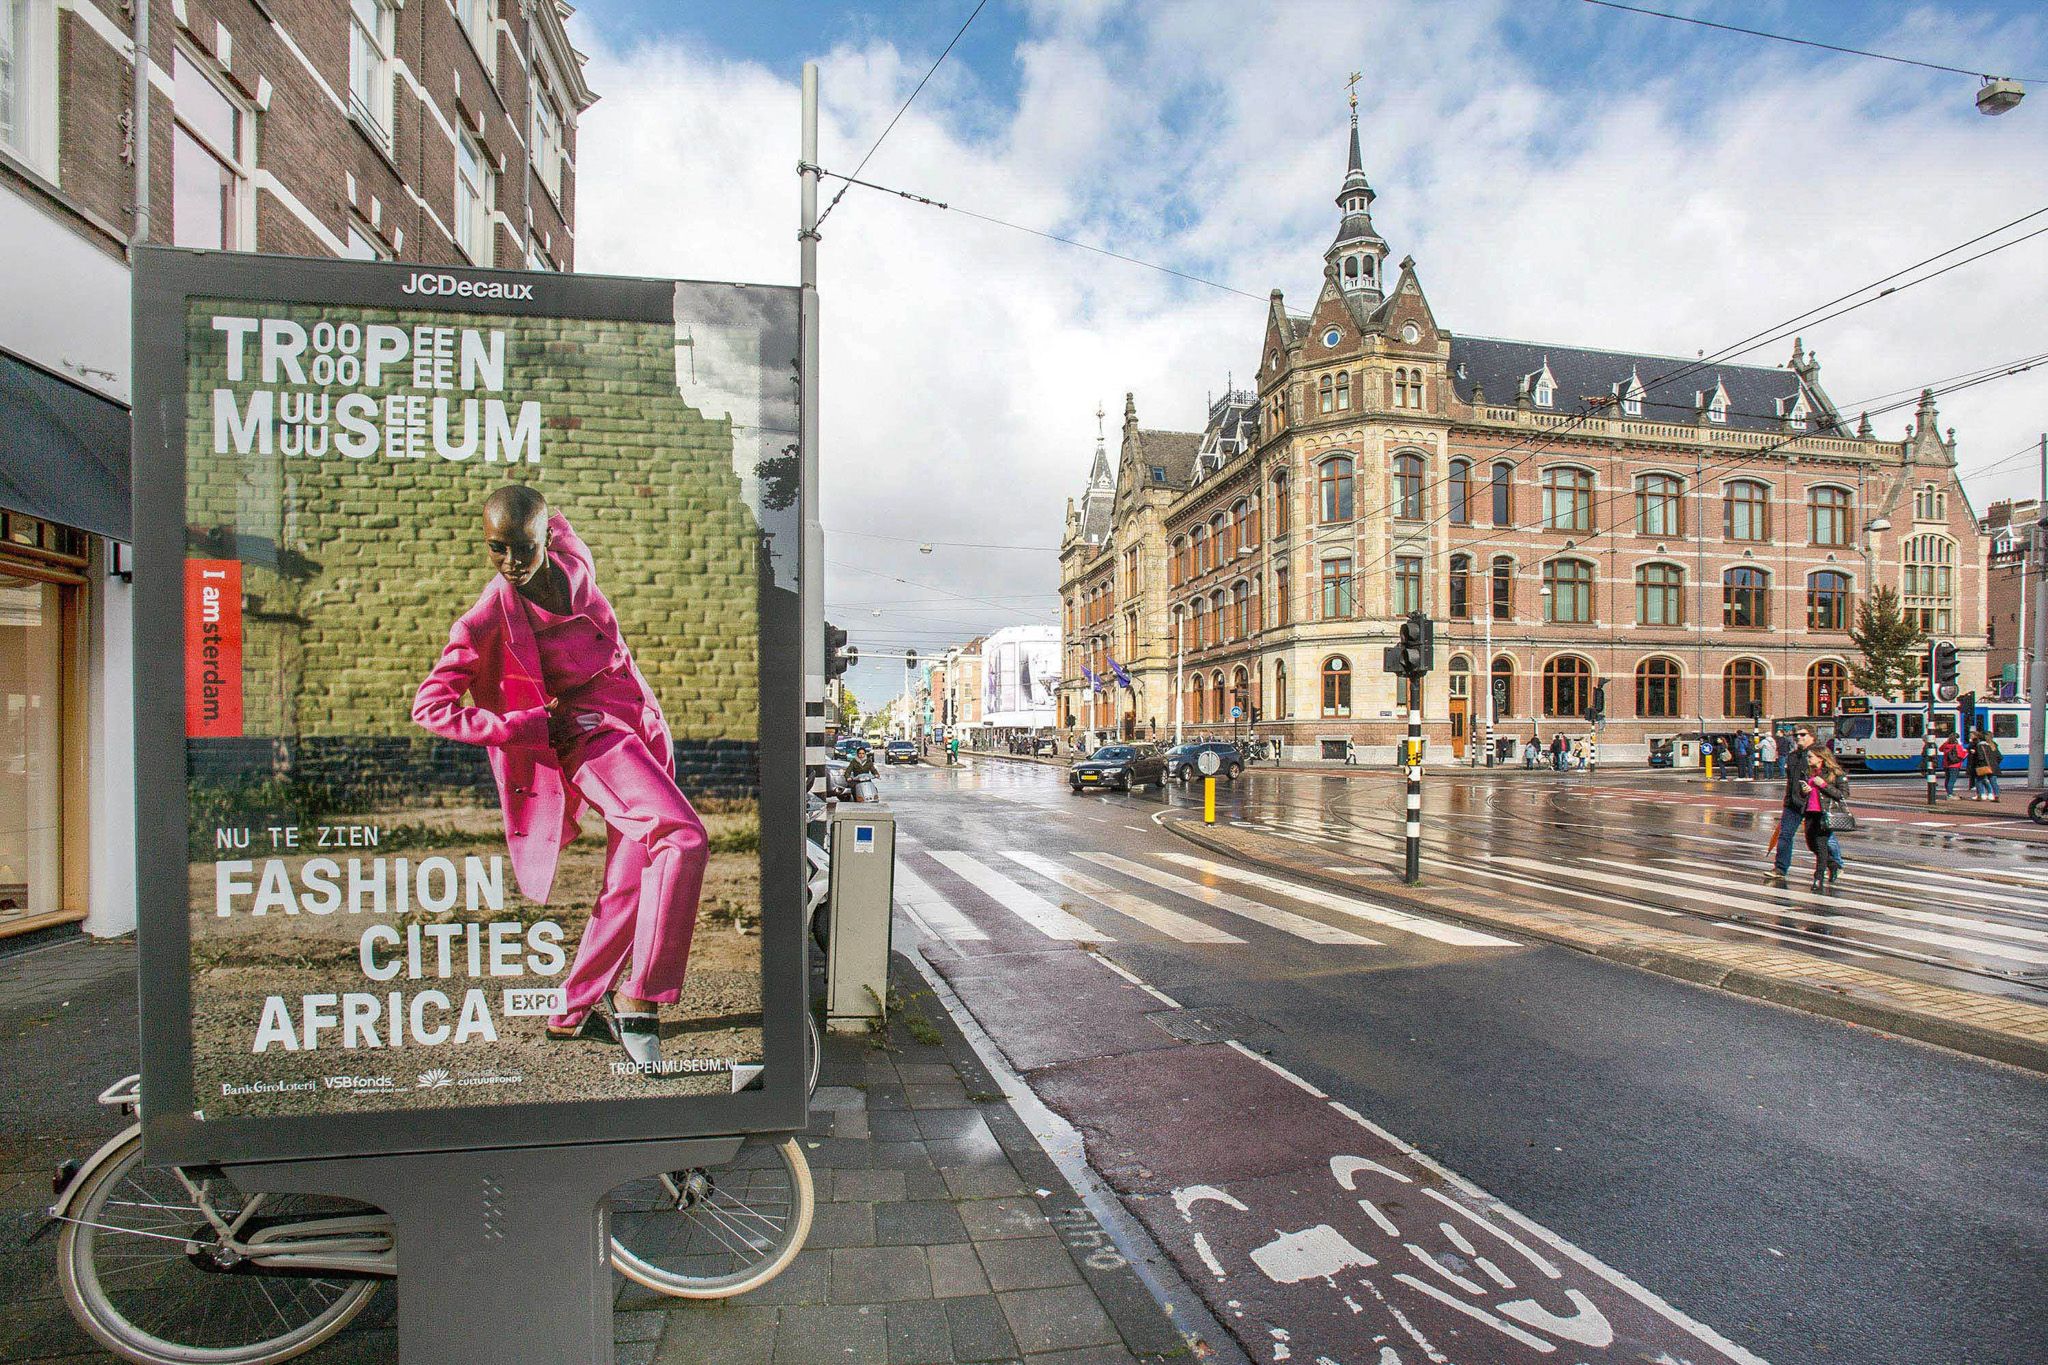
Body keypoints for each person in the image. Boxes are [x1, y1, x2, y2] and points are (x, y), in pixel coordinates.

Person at [413, 485, 706, 1068]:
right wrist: (522, 725)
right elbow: (431, 706)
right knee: (682, 838)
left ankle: (571, 1013)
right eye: (497, 550)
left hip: (644, 718)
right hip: (593, 736)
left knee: (632, 873)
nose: (511, 564)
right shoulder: (486, 617)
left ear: (548, 537)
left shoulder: (575, 556)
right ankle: (639, 997)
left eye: (522, 548)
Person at [1769, 724, 1826, 886]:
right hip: (1793, 803)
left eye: (1802, 735)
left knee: (1817, 839)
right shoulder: (1793, 756)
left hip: (1812, 803)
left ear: (1812, 736)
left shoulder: (1819, 754)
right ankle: (1780, 868)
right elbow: (1791, 781)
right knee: (1785, 835)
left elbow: (1831, 776)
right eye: (1796, 735)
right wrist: (1787, 799)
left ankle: (1834, 863)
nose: (1798, 738)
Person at [1799, 745, 1850, 891]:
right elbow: (1805, 794)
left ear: (1820, 758)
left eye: (1810, 757)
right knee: (1811, 844)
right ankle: (1833, 865)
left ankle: (1818, 878)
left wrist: (1824, 785)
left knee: (1821, 845)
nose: (1808, 759)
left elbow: (1843, 794)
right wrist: (1804, 791)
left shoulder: (1835, 773)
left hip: (1825, 814)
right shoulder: (1808, 772)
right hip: (1810, 812)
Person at [1972, 729, 2004, 801]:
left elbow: (1980, 757)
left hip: (1983, 766)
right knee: (1993, 782)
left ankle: (1980, 795)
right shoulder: (1993, 745)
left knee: (1979, 780)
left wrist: (1975, 755)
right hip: (1994, 766)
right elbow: (2000, 757)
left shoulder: (1980, 745)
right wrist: (1995, 763)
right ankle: (1997, 796)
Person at [1939, 733, 1968, 799]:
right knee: (1952, 780)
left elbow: (1940, 749)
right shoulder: (1957, 746)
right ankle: (1950, 794)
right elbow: (1961, 755)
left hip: (1946, 764)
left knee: (1947, 779)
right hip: (1955, 765)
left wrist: (1947, 741)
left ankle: (1949, 792)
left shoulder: (1946, 745)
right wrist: (1966, 752)